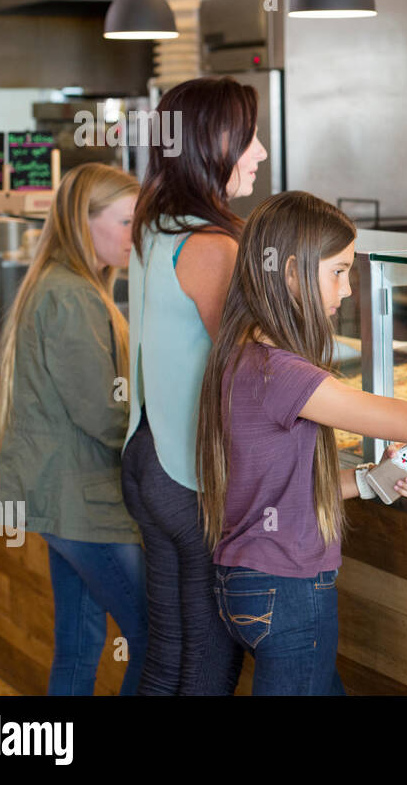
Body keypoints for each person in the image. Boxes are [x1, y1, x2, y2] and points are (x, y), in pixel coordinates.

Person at [197, 192, 407, 695]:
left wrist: (370, 479)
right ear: (293, 271)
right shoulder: (280, 371)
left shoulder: (241, 352)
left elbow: (276, 494)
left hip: (245, 582)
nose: (346, 291)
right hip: (289, 592)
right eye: (338, 272)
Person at [121, 77, 269, 694]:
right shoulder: (213, 245)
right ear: (214, 143)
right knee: (209, 666)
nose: (260, 152)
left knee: (169, 656)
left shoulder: (157, 225)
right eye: (250, 138)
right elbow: (258, 367)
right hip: (188, 476)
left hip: (145, 457)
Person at [0, 162, 149, 695]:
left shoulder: (68, 287)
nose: (138, 235)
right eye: (128, 222)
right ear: (85, 222)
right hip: (83, 505)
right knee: (156, 640)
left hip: (65, 501)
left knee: (80, 647)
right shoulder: (72, 296)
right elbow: (103, 413)